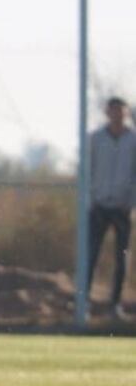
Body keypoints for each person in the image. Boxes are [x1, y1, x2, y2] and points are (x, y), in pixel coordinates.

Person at [86, 96, 136, 320]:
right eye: (113, 110)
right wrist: (91, 200)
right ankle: (83, 303)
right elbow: (87, 170)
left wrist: (131, 202)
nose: (117, 115)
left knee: (121, 258)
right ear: (107, 112)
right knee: (91, 255)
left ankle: (114, 306)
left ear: (126, 113)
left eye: (121, 111)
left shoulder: (133, 140)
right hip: (99, 206)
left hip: (123, 207)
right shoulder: (96, 139)